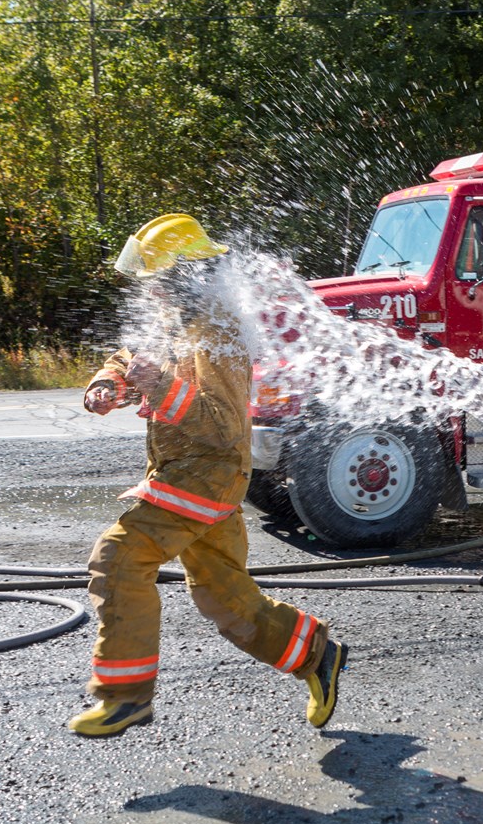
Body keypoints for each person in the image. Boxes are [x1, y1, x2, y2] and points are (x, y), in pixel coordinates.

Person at [69, 213, 348, 738]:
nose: (150, 289)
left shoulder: (219, 334)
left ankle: (125, 698)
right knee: (224, 597)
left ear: (183, 276)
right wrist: (108, 384)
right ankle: (316, 654)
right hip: (182, 473)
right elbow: (128, 357)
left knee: (119, 558)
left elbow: (223, 427)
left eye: (157, 278)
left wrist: (160, 387)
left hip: (205, 477)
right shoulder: (174, 319)